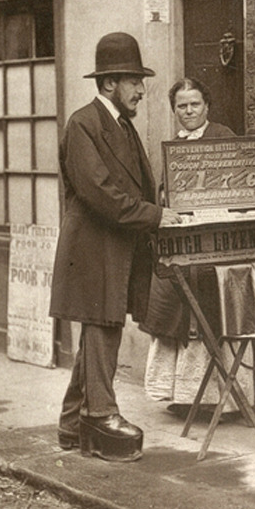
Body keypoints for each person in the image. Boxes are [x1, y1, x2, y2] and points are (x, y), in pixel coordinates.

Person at [49, 32, 181, 462]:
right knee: (102, 328)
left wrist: (160, 209)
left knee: (100, 330)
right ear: (109, 84)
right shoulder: (83, 123)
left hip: (115, 246)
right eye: (134, 81)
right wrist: (156, 216)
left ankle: (73, 425)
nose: (142, 90)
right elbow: (100, 193)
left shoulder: (121, 125)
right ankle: (100, 414)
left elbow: (135, 184)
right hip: (93, 247)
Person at [141, 77, 255, 417]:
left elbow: (241, 185)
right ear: (174, 110)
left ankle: (223, 400)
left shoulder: (222, 138)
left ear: (207, 106)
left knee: (214, 314)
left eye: (194, 105)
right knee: (177, 310)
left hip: (216, 244)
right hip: (183, 243)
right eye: (181, 106)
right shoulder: (174, 146)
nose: (188, 111)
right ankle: (185, 397)